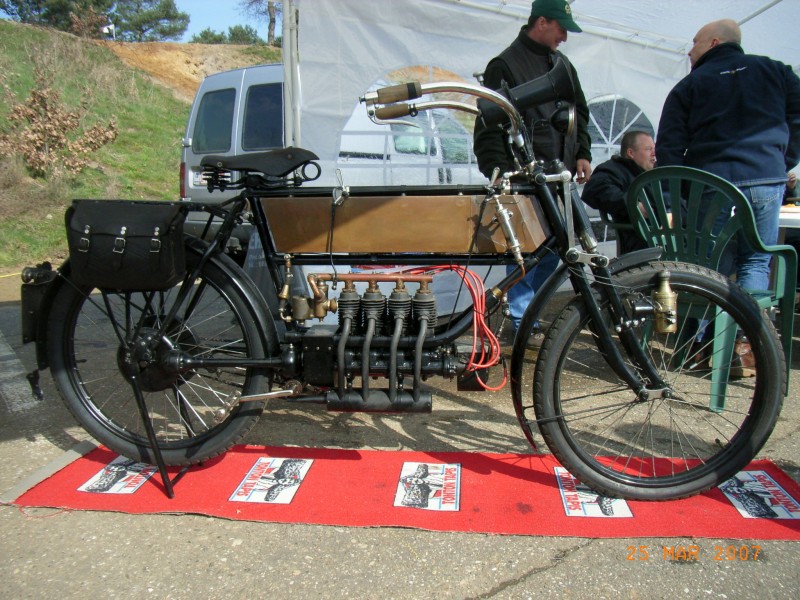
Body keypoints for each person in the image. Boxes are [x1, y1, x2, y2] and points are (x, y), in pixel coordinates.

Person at [656, 18, 800, 376]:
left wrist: (683, 196)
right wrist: (781, 161)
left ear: (714, 42)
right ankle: (741, 348)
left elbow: (669, 147)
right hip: (766, 180)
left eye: (694, 42)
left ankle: (701, 350)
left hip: (713, 183)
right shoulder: (777, 71)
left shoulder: (691, 85)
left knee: (711, 268)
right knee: (755, 264)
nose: (690, 50)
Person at [473, 0, 592, 343]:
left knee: (559, 248)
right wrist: (498, 170)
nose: (565, 37)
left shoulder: (563, 64)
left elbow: (579, 113)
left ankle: (529, 310)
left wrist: (582, 152)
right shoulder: (504, 64)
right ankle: (521, 317)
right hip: (525, 180)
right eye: (561, 29)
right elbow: (489, 125)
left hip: (561, 176)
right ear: (542, 22)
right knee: (526, 249)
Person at [581, 130, 656, 254]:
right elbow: (594, 190)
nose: (654, 154)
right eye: (648, 149)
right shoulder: (614, 169)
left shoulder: (654, 171)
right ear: (631, 153)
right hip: (642, 241)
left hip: (673, 235)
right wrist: (633, 205)